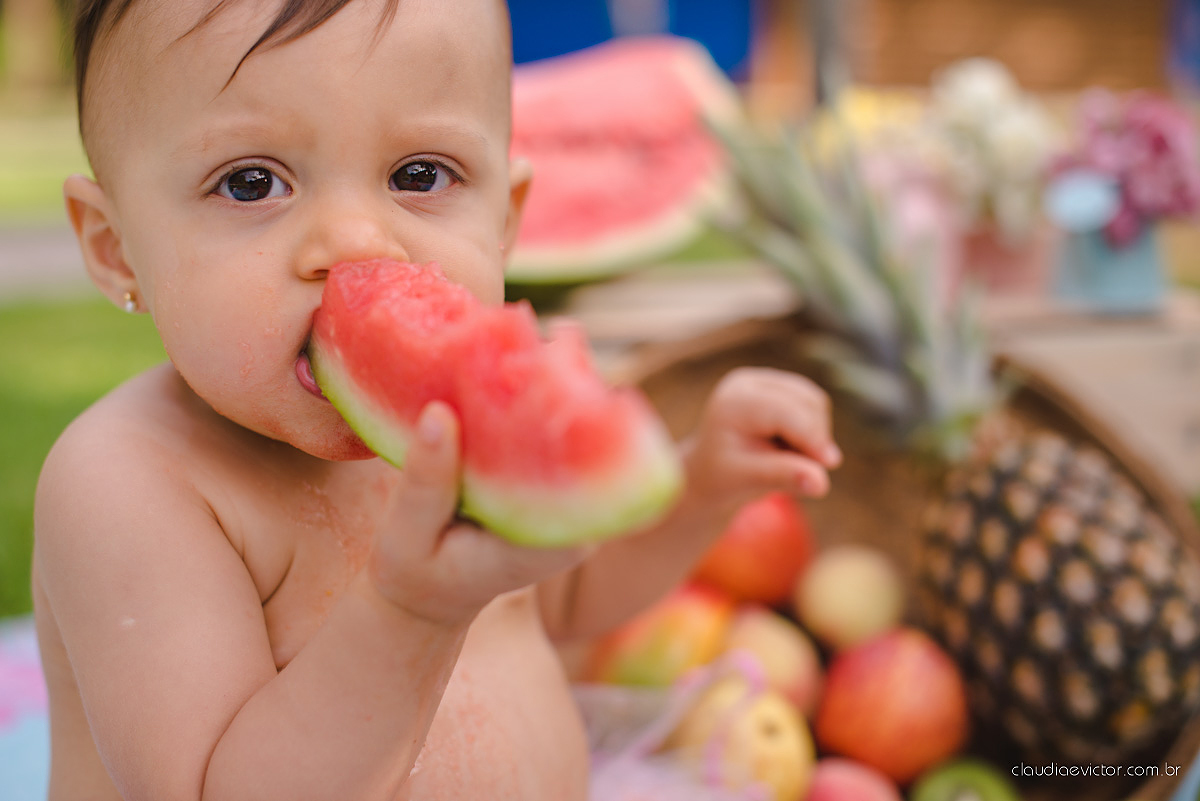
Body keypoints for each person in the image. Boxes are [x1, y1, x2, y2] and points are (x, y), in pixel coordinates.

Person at [33, 0, 841, 799]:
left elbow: (563, 595)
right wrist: (409, 612)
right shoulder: (130, 486)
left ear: (505, 221)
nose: (356, 241)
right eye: (251, 182)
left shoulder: (448, 428)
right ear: (116, 251)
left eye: (419, 175)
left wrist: (700, 488)